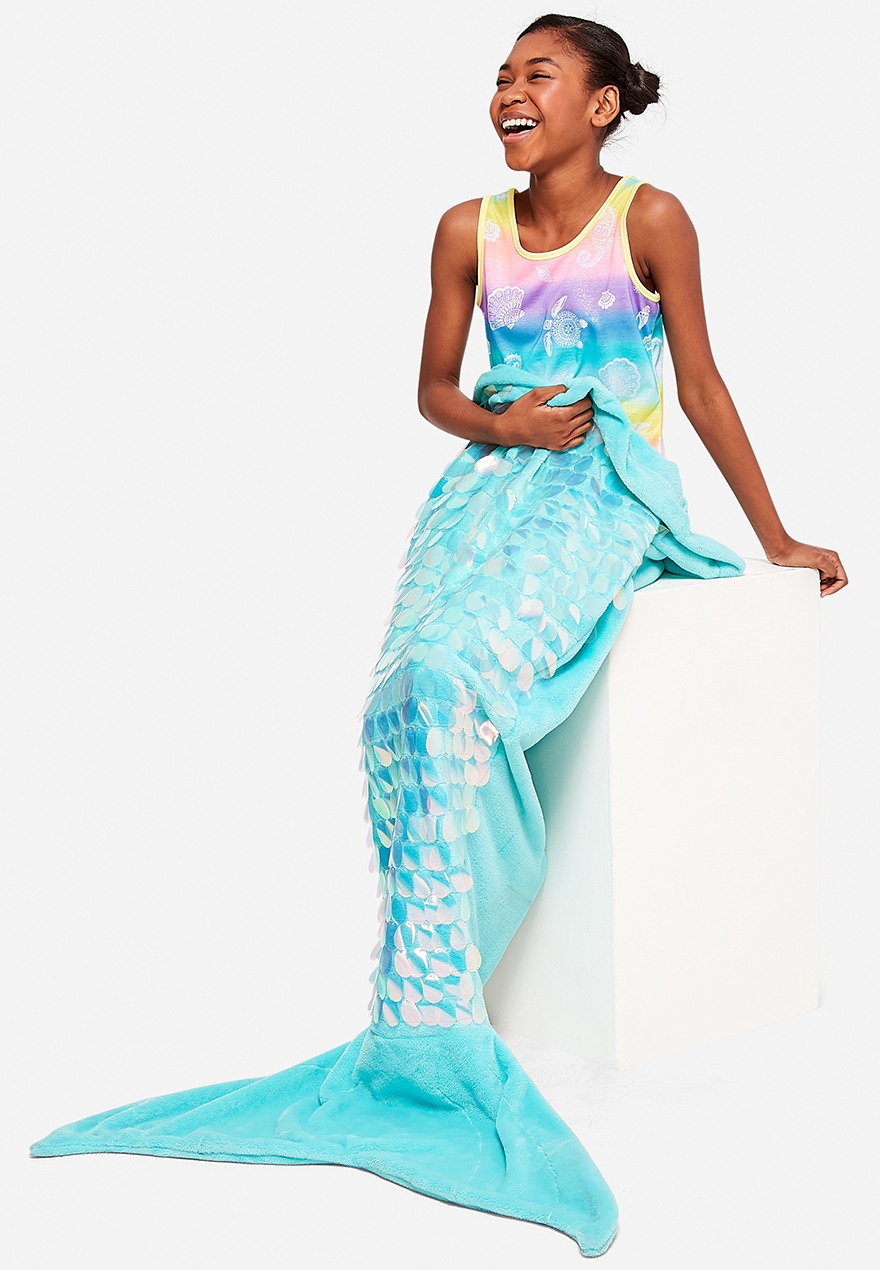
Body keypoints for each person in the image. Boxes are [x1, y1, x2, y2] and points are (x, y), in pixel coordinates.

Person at [30, 13, 847, 1259]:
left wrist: (775, 534)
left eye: (539, 75)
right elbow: (433, 390)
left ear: (603, 105)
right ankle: (419, 1012)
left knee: (462, 678)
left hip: (600, 488)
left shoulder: (654, 219)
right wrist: (502, 427)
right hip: (487, 485)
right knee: (402, 691)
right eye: (501, 76)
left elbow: (698, 385)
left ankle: (440, 1013)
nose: (509, 92)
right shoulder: (467, 228)